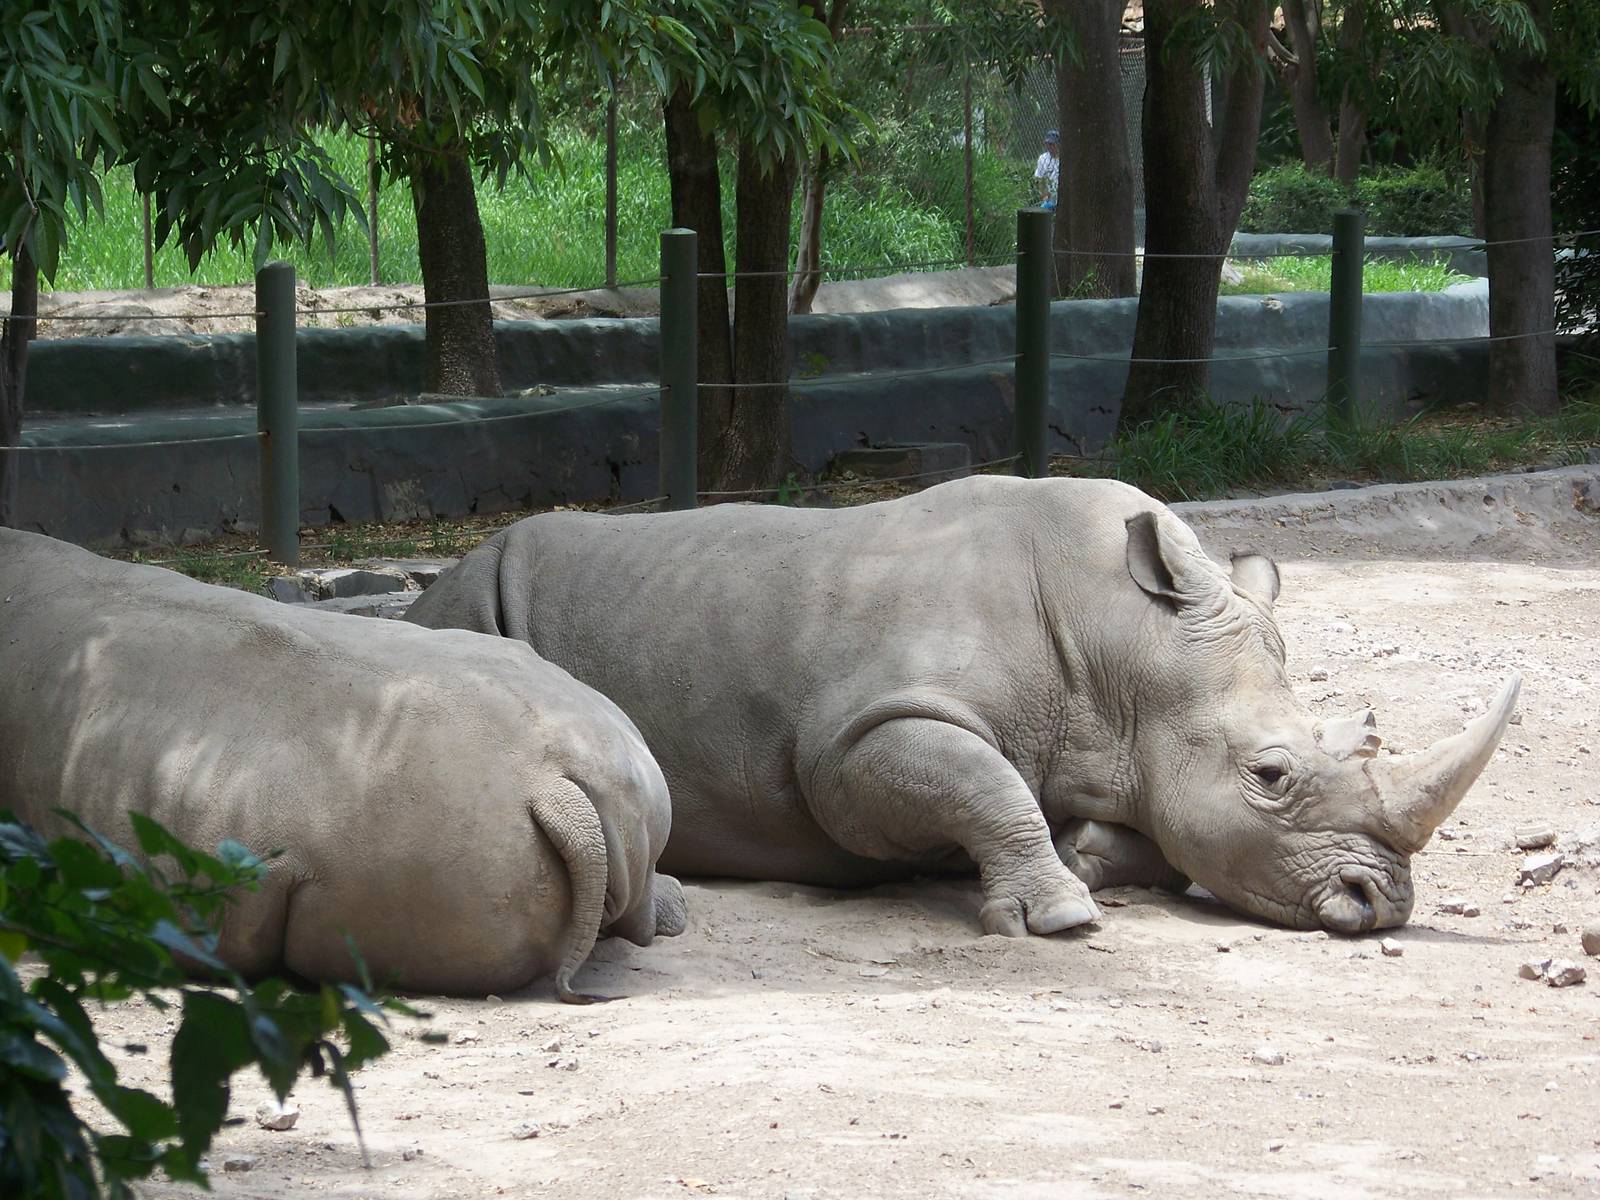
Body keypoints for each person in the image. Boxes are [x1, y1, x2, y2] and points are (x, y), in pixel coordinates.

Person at [1034, 129, 1060, 211]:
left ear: (1058, 144)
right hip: (1050, 198)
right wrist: (1043, 196)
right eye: (1047, 144)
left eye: (1052, 144)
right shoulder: (1043, 158)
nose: (1049, 147)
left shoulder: (1065, 158)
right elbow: (1040, 179)